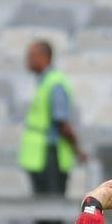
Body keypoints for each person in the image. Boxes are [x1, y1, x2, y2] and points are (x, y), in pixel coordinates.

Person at [18, 39, 87, 196]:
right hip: (40, 155)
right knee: (43, 207)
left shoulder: (54, 84)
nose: (27, 60)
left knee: (51, 205)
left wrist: (77, 150)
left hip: (50, 154)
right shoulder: (44, 82)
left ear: (44, 57)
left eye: (31, 56)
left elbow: (62, 123)